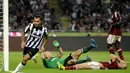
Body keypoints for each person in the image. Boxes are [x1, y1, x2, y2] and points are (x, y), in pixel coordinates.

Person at [58, 54, 127, 70]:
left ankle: (64, 68)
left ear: (121, 66)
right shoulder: (114, 64)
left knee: (80, 66)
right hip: (97, 64)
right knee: (80, 65)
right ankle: (65, 68)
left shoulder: (115, 65)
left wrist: (120, 60)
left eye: (122, 64)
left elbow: (112, 55)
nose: (121, 63)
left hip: (97, 65)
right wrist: (120, 61)